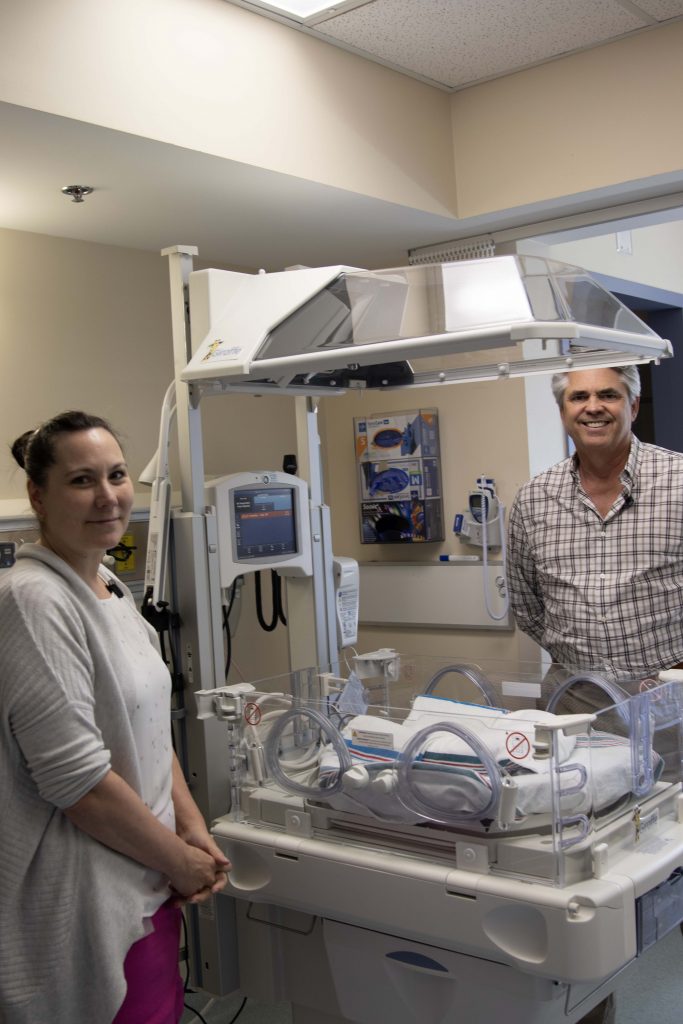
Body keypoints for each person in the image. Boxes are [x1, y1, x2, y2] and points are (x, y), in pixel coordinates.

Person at [0, 411, 231, 1024]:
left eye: (117, 475)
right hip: (87, 897)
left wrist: (190, 827)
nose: (107, 496)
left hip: (147, 877)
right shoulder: (33, 601)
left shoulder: (108, 584)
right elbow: (78, 783)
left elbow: (149, 723)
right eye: (82, 480)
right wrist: (179, 861)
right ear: (38, 496)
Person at [507, 365, 683, 1024]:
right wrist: (582, 662)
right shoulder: (535, 499)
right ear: (563, 411)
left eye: (608, 394)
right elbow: (526, 603)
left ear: (632, 403)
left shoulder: (678, 481)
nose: (593, 406)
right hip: (574, 708)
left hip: (667, 703)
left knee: (674, 859)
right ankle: (589, 1007)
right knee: (579, 879)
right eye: (578, 396)